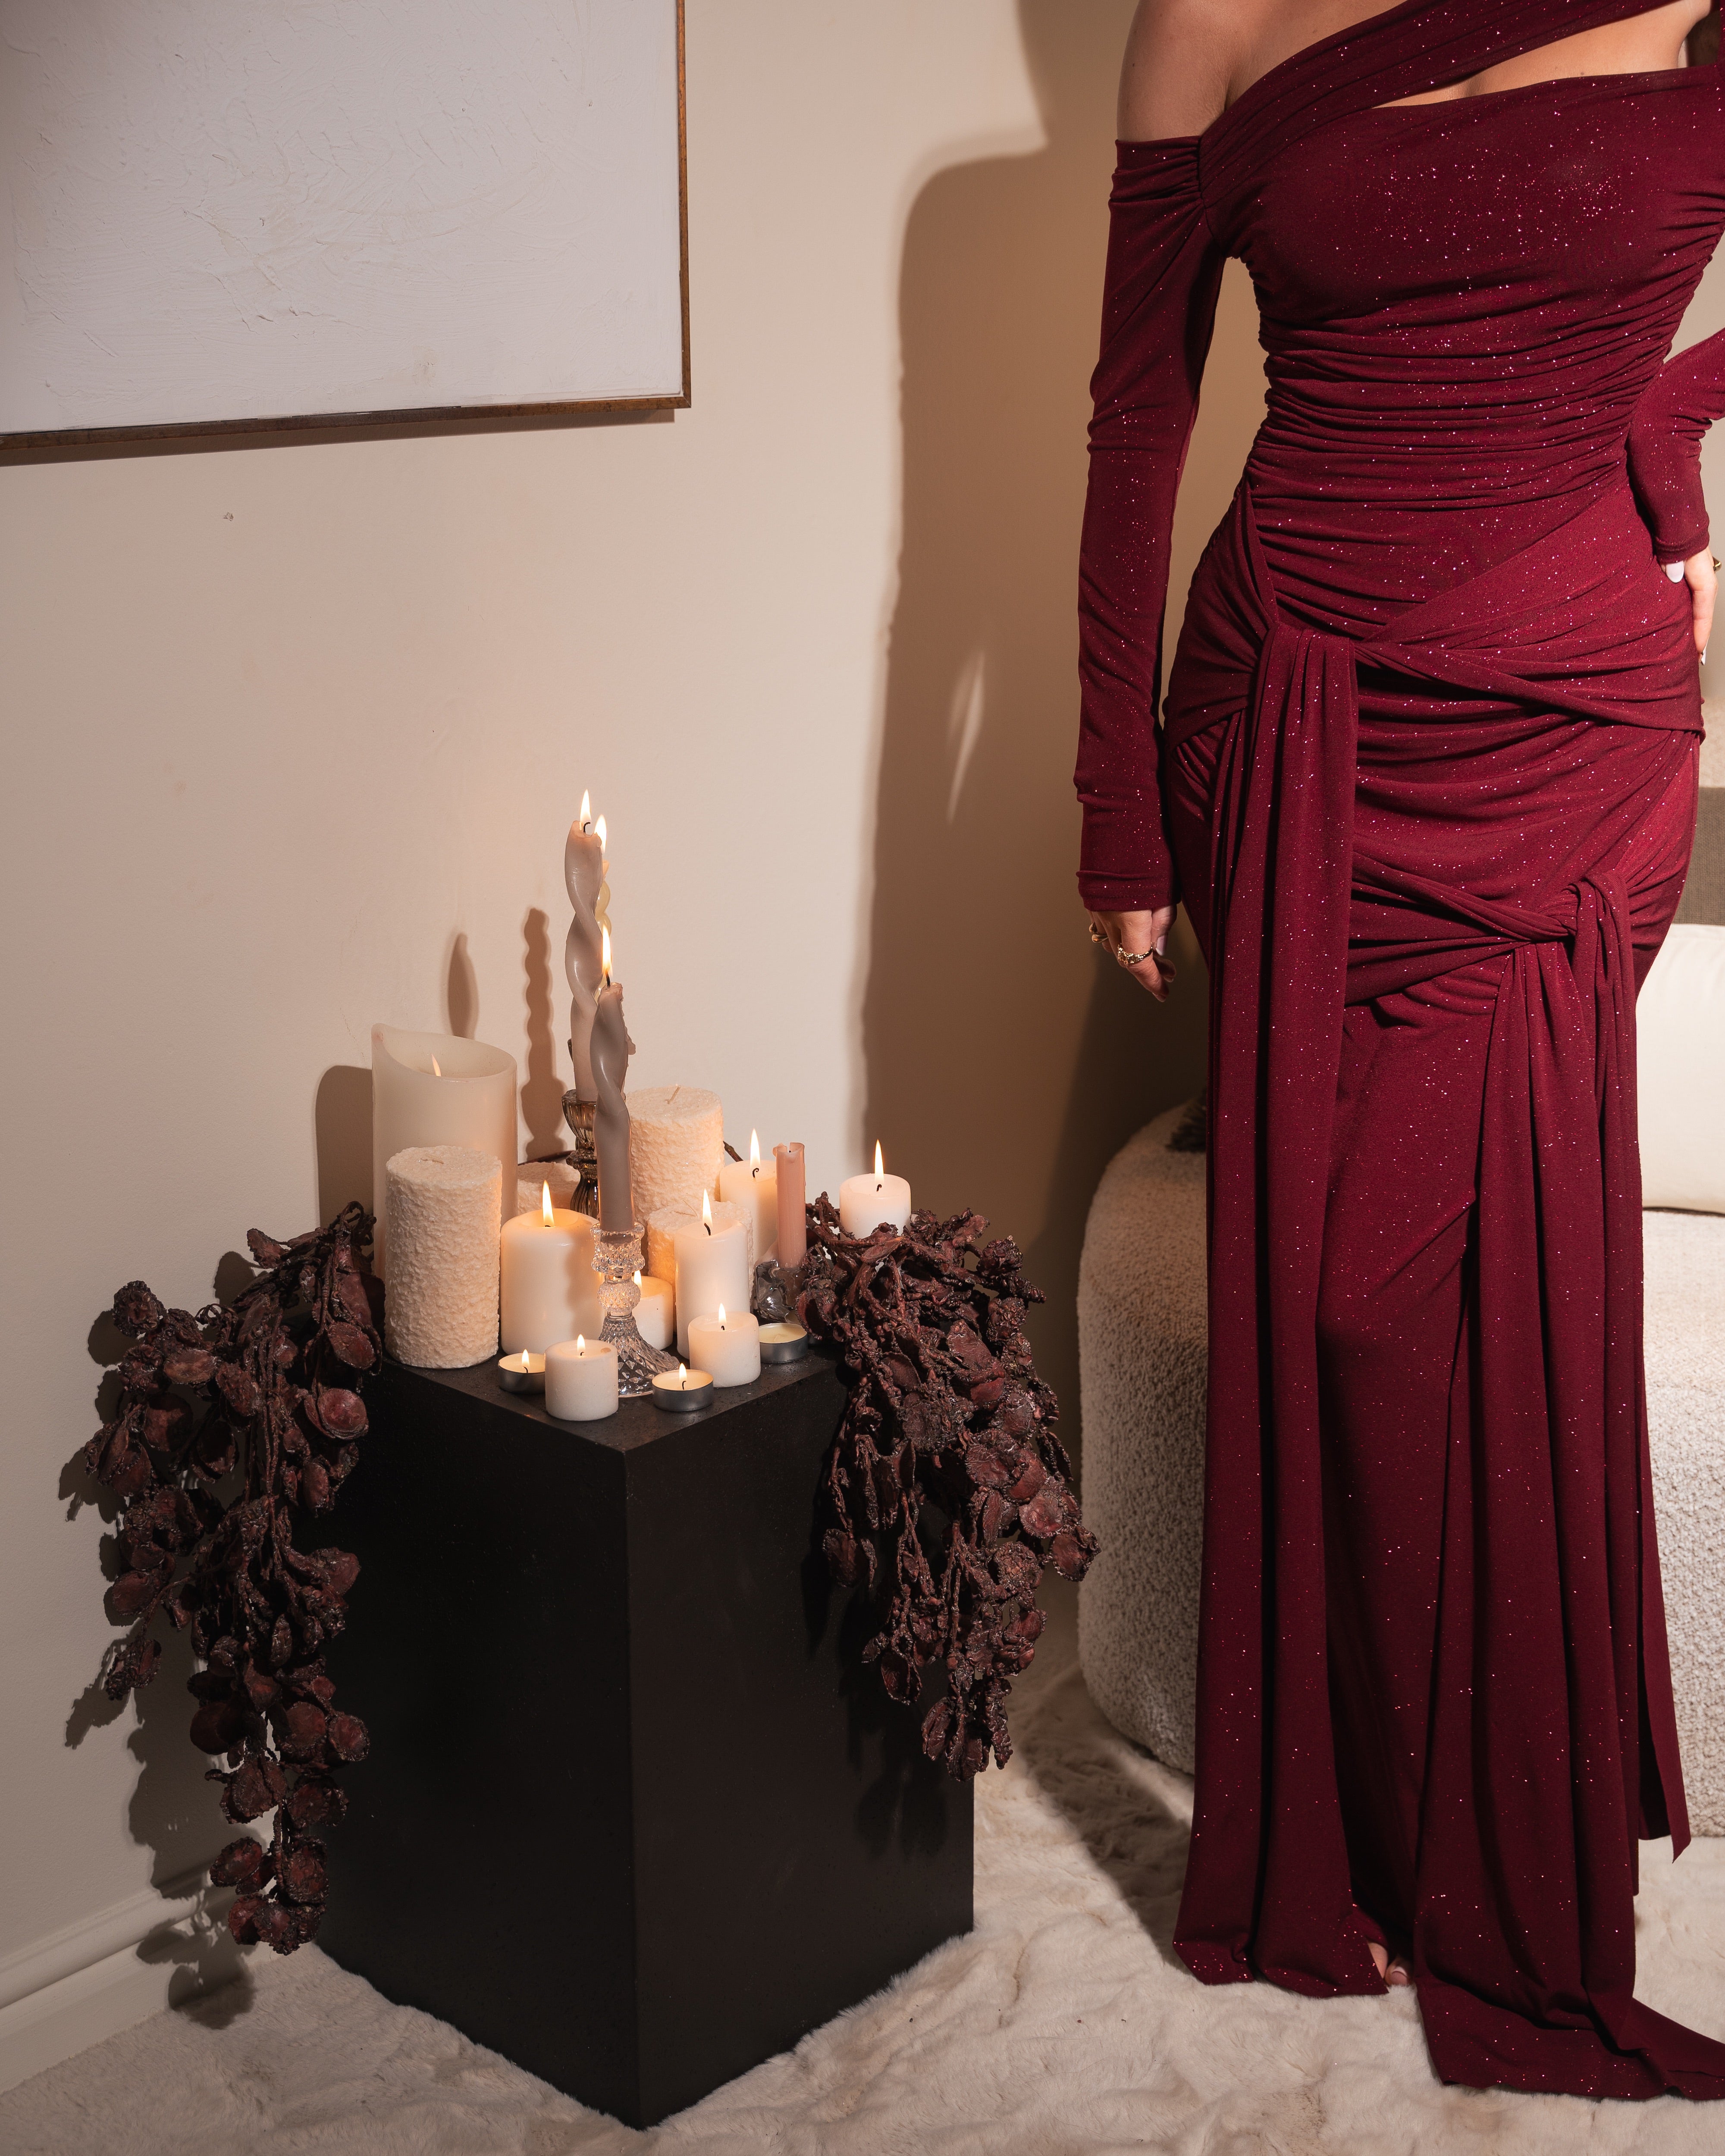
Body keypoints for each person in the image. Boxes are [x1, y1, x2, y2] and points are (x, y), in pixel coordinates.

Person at [1075, 0, 1725, 2100]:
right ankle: (1362, 1827)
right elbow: (1135, 415)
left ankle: (1495, 1886)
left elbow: (1675, 375)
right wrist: (1110, 797)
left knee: (1385, 1289)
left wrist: (1667, 429)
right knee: (1358, 1303)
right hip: (1291, 713)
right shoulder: (1213, 21)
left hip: (1560, 722)